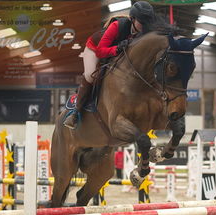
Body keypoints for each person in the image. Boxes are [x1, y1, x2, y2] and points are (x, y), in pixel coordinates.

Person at [63, 1, 156, 129]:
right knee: (91, 76)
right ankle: (75, 112)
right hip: (95, 49)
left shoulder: (143, 32)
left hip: (116, 54)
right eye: (142, 22)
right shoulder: (117, 26)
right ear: (133, 19)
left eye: (147, 23)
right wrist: (116, 49)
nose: (145, 26)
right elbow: (101, 51)